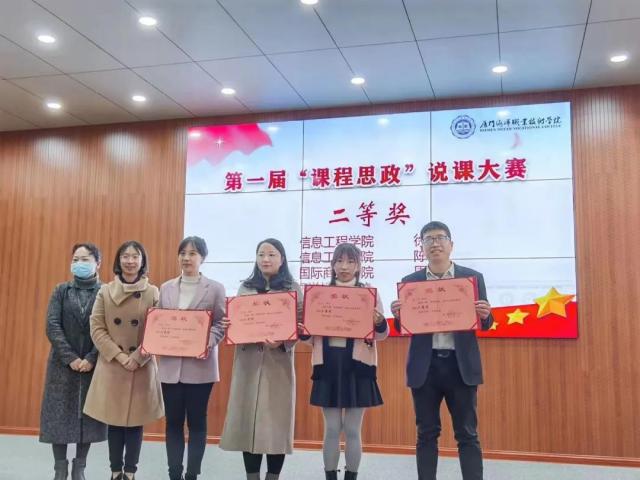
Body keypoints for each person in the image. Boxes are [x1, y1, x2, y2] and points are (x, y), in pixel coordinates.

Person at [391, 221, 493, 480]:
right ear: (422, 247)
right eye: (429, 239)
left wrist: (486, 314)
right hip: (425, 367)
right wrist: (398, 315)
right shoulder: (410, 283)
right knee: (426, 433)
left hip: (461, 366)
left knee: (467, 434)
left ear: (451, 244)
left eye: (440, 238)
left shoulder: (471, 279)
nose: (435, 243)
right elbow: (404, 327)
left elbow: (485, 323)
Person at [299, 243, 388, 480]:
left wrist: (378, 322)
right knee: (331, 428)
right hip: (328, 365)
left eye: (350, 261)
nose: (344, 266)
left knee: (352, 429)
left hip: (358, 366)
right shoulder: (319, 295)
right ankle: (330, 476)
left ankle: (351, 476)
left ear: (358, 266)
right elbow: (310, 339)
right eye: (339, 261)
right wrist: (303, 332)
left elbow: (381, 335)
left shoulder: (369, 294)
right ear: (332, 264)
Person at [219, 238, 302, 480]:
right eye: (261, 254)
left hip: (278, 365)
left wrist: (283, 341)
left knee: (276, 427)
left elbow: (300, 326)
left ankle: (273, 477)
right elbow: (238, 322)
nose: (266, 259)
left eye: (272, 254)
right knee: (248, 425)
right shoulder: (245, 288)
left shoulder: (292, 289)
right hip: (248, 365)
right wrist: (230, 325)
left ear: (282, 259)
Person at [83, 240, 164, 480]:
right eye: (125, 256)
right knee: (115, 422)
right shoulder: (105, 291)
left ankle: (130, 472)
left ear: (142, 261)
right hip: (113, 364)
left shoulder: (153, 292)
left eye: (135, 256)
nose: (130, 261)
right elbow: (96, 327)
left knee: (135, 423)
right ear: (118, 261)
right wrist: (119, 355)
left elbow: (158, 330)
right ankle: (115, 471)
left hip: (141, 364)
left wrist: (138, 357)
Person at [157, 236, 229, 480]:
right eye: (183, 253)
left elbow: (220, 323)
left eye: (193, 253)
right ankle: (174, 473)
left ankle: (192, 474)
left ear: (203, 258)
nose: (186, 258)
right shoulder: (165, 288)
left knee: (197, 422)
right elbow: (158, 323)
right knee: (173, 422)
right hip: (170, 368)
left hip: (201, 367)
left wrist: (205, 342)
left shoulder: (215, 288)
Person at [40, 243, 108, 480]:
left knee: (86, 417)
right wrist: (70, 357)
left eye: (85, 259)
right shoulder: (61, 290)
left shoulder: (105, 292)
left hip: (93, 364)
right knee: (58, 417)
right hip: (62, 363)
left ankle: (80, 468)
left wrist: (91, 358)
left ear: (98, 263)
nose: (79, 263)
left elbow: (108, 329)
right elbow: (52, 325)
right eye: (76, 259)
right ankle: (60, 469)